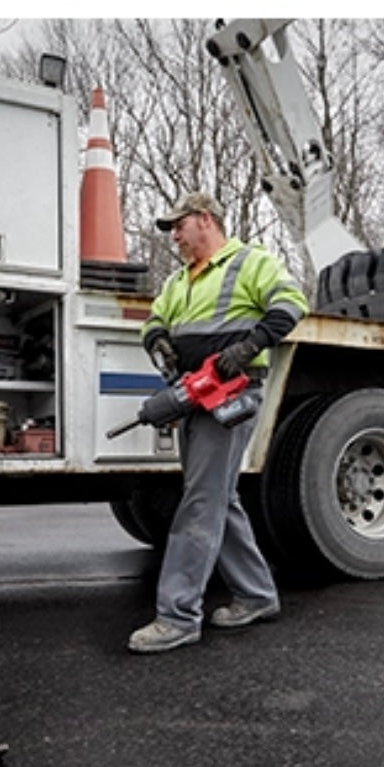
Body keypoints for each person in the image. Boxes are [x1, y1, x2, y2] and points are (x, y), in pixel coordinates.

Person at [128, 191, 309, 654]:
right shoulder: (178, 281)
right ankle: (256, 594)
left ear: (204, 219)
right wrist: (159, 342)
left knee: (200, 503)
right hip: (193, 395)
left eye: (178, 226)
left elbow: (291, 304)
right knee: (218, 499)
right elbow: (153, 320)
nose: (174, 236)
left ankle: (177, 615)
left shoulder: (249, 262)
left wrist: (247, 348)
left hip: (230, 396)